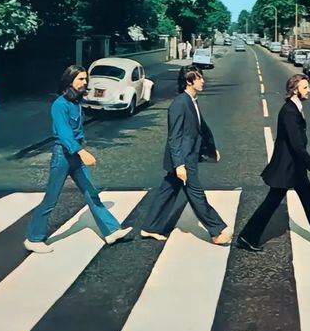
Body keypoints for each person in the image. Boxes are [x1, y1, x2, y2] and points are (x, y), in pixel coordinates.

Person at [25, 65, 132, 253]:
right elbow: (64, 134)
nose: (85, 82)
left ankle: (111, 231)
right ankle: (34, 238)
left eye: (85, 79)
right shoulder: (60, 105)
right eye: (81, 79)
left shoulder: (75, 103)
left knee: (91, 193)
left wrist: (81, 147)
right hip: (63, 156)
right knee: (51, 199)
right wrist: (82, 152)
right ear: (69, 81)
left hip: (75, 154)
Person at [237, 73, 310, 252]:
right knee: (271, 202)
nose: (309, 91)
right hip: (287, 168)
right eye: (305, 88)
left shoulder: (295, 108)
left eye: (308, 87)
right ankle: (247, 237)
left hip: (295, 167)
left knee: (309, 200)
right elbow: (297, 145)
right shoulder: (289, 112)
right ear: (294, 90)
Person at [140, 66, 231, 244]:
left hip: (189, 154)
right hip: (183, 158)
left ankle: (149, 227)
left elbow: (198, 130)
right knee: (197, 195)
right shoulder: (180, 104)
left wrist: (210, 150)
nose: (203, 81)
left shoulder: (192, 100)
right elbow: (174, 137)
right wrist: (179, 165)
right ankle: (217, 231)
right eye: (198, 78)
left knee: (167, 191)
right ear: (189, 82)